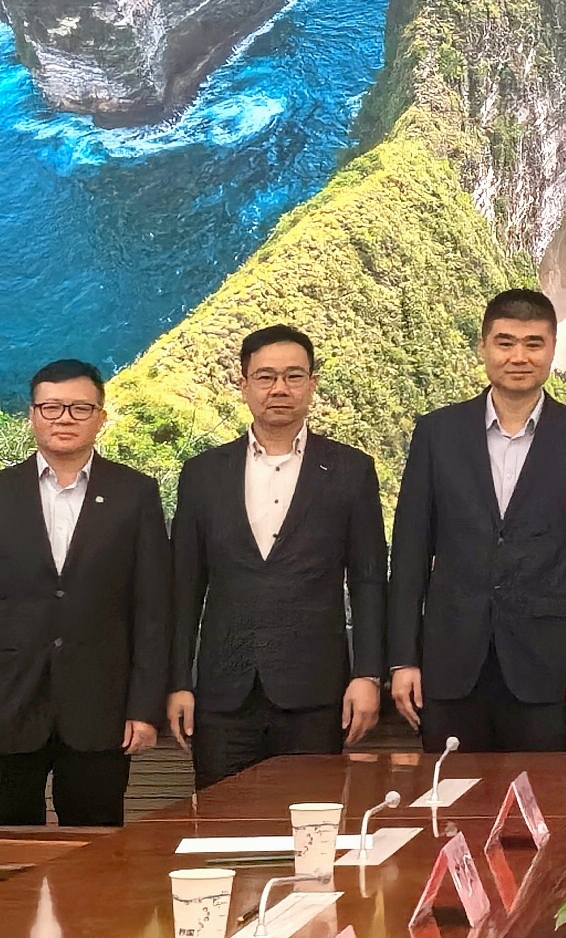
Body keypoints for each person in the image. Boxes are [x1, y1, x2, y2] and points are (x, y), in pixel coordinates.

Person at [0, 359, 170, 826]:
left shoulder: (135, 494)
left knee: (93, 862)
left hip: (100, 712)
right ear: (32, 415)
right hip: (4, 711)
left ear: (100, 417)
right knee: (5, 860)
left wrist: (144, 709)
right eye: (51, 407)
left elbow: (153, 611)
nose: (64, 418)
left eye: (80, 408)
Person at [387, 290, 566, 752]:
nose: (519, 356)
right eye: (505, 342)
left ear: (552, 349)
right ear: (483, 347)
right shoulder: (437, 433)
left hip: (546, 670)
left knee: (541, 811)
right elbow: (410, 554)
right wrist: (402, 661)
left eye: (533, 344)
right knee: (451, 806)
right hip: (450, 666)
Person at [166, 325, 385, 788]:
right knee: (223, 836)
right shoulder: (203, 474)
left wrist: (367, 674)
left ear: (312, 382)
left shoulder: (350, 470)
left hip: (315, 694)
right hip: (224, 695)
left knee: (311, 833)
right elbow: (184, 587)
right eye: (265, 377)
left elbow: (368, 583)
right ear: (244, 385)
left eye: (293, 376)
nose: (279, 389)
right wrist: (178, 682)